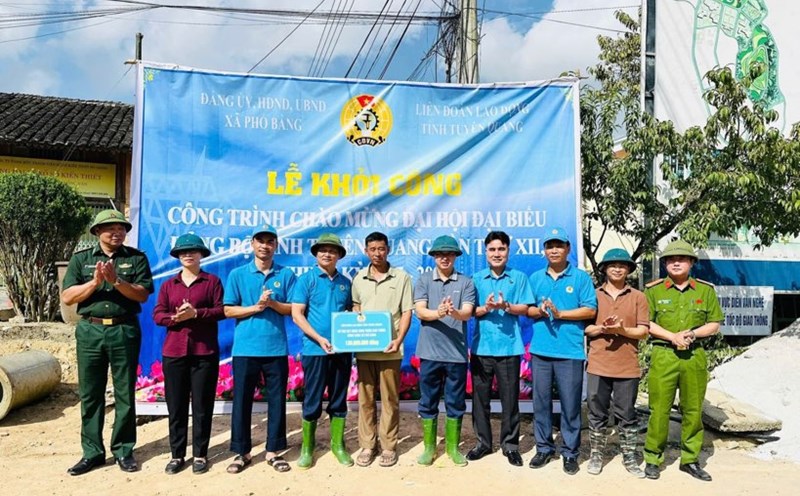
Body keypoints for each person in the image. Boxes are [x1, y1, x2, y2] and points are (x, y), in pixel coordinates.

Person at [61, 209, 154, 475]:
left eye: (121, 228)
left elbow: (142, 295)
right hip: (90, 331)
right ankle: (92, 452)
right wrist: (95, 282)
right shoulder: (82, 259)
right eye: (110, 228)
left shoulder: (135, 258)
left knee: (125, 393)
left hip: (123, 330)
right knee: (91, 394)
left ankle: (124, 450)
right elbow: (68, 297)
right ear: (97, 232)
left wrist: (117, 281)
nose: (117, 232)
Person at [643, 240, 723, 482]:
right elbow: (647, 322)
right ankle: (653, 458)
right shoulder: (653, 291)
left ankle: (690, 460)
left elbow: (714, 323)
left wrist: (693, 334)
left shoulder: (705, 291)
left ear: (691, 263)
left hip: (694, 356)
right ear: (665, 264)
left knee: (692, 410)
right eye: (670, 259)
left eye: (682, 259)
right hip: (664, 355)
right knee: (659, 410)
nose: (676, 262)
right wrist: (672, 336)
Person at [223, 225, 296, 474]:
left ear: (275, 246)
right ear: (252, 244)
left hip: (275, 348)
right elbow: (228, 310)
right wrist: (256, 307)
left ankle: (274, 451)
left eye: (270, 241)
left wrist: (272, 303)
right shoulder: (238, 275)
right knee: (242, 401)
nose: (265, 245)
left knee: (277, 401)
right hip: (245, 349)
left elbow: (294, 309)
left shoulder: (285, 275)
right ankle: (241, 452)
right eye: (260, 241)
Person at [526, 227, 597, 475]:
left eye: (559, 245)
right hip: (541, 351)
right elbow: (527, 310)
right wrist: (540, 309)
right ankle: (544, 448)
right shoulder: (535, 278)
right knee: (541, 403)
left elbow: (590, 311)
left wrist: (561, 314)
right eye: (549, 246)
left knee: (570, 405)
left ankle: (570, 452)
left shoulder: (580, 278)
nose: (554, 250)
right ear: (544, 250)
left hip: (570, 352)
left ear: (568, 249)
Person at [153, 233, 225, 475]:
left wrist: (196, 314)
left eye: (193, 251)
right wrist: (174, 318)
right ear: (177, 256)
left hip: (204, 352)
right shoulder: (167, 285)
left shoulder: (212, 281)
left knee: (203, 406)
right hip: (174, 353)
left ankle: (200, 454)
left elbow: (219, 311)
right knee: (176, 405)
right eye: (183, 252)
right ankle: (177, 455)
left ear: (201, 254)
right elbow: (157, 314)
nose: (188, 255)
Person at [467, 231, 533, 467]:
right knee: (480, 400)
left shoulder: (519, 278)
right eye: (492, 249)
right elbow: (468, 311)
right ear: (485, 253)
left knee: (510, 400)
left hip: (509, 347)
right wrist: (485, 308)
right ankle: (483, 444)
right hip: (481, 347)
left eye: (501, 249)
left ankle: (510, 445)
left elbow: (525, 308)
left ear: (508, 251)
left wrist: (506, 305)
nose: (497, 254)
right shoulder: (475, 279)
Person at [291, 233, 354, 469]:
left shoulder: (345, 283)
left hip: (341, 351)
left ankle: (338, 445)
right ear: (316, 254)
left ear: (339, 255)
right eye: (322, 250)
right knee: (313, 400)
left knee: (339, 400)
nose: (327, 254)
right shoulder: (306, 280)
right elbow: (297, 315)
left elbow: (349, 313)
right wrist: (319, 338)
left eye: (332, 250)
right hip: (314, 350)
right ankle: (308, 448)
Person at [584, 248, 648, 477]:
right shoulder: (594, 294)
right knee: (596, 412)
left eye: (622, 265)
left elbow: (643, 331)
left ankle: (629, 457)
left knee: (627, 413)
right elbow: (586, 329)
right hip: (598, 363)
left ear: (629, 270)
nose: (617, 268)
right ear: (604, 269)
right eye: (612, 265)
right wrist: (602, 328)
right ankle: (596, 455)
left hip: (627, 366)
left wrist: (622, 330)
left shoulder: (638, 296)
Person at [351, 231, 414, 468]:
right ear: (366, 251)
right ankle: (368, 445)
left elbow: (407, 311)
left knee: (389, 399)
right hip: (365, 349)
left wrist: (398, 340)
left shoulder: (401, 277)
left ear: (388, 249)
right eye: (372, 249)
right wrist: (355, 316)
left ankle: (388, 446)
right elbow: (356, 305)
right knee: (365, 400)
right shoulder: (358, 278)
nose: (377, 253)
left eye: (381, 248)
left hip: (390, 349)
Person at [413, 235, 476, 467]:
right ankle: (429, 448)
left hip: (456, 355)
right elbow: (420, 312)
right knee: (428, 401)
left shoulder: (466, 282)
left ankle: (452, 448)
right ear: (433, 257)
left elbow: (467, 313)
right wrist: (439, 312)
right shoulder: (423, 280)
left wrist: (453, 313)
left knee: (455, 401)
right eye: (440, 254)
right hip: (429, 353)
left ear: (456, 256)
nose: (444, 257)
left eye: (449, 253)